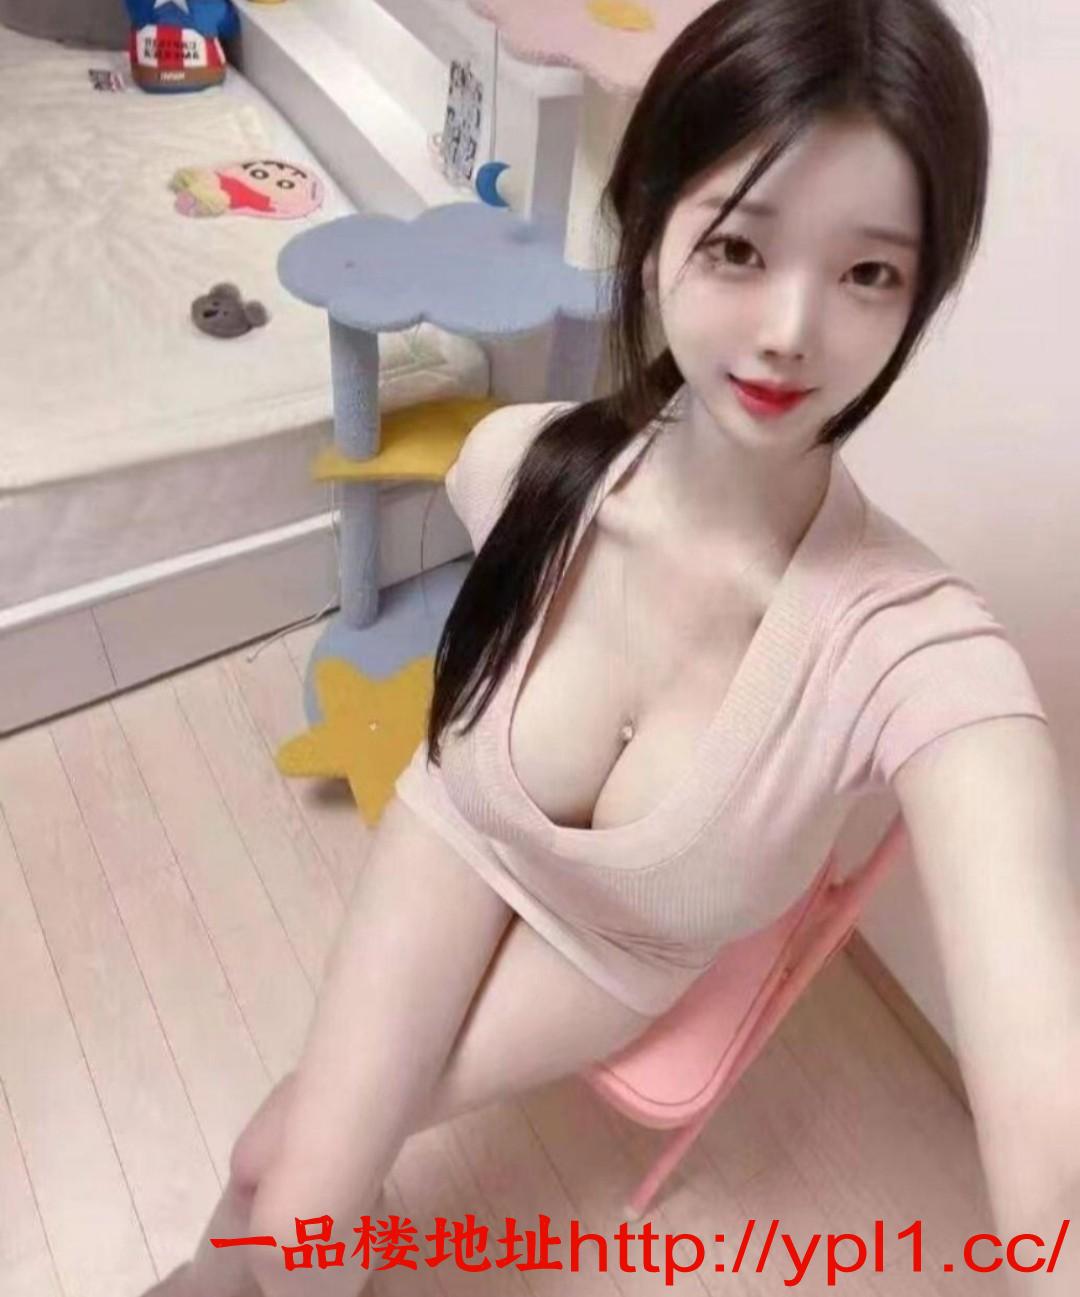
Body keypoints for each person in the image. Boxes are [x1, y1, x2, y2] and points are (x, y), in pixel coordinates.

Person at [147, 0, 1080, 1293]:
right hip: (464, 831)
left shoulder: (912, 650)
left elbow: (1047, 1102)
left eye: (868, 273)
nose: (790, 328)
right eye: (740, 245)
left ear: (919, 293)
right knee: (289, 1183)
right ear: (653, 230)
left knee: (281, 1167)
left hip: (616, 951)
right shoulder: (518, 465)